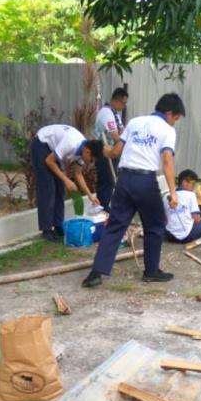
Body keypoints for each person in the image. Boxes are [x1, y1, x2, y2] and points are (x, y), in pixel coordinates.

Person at [81, 93, 185, 288]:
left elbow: (115, 152)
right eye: (176, 118)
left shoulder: (135, 122)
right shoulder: (167, 130)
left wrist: (103, 151)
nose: (175, 123)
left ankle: (96, 272)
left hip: (124, 179)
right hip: (145, 181)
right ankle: (151, 271)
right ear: (170, 113)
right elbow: (167, 160)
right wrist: (173, 192)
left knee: (115, 226)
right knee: (155, 225)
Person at [31, 124, 103, 241]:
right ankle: (46, 229)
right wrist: (67, 180)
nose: (90, 163)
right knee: (48, 187)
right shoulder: (71, 143)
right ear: (88, 152)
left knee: (60, 187)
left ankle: (58, 225)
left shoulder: (82, 151)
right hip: (41, 143)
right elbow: (49, 161)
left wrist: (90, 196)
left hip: (52, 149)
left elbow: (78, 174)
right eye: (91, 160)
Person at [94, 88, 128, 211]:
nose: (124, 106)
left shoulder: (115, 115)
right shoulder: (106, 113)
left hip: (112, 153)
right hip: (104, 152)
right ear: (115, 100)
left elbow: (123, 133)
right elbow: (115, 136)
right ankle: (103, 209)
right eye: (123, 103)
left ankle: (107, 207)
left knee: (110, 183)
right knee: (106, 183)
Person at [163, 169, 201, 243]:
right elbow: (196, 219)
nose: (193, 187)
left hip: (170, 236)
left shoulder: (165, 196)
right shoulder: (190, 195)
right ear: (184, 182)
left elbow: (164, 218)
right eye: (192, 184)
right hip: (187, 237)